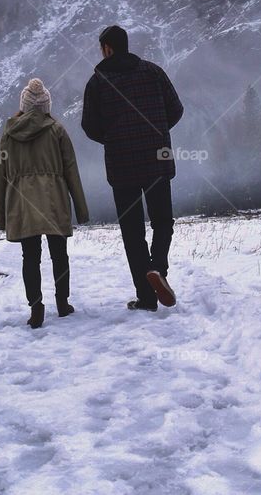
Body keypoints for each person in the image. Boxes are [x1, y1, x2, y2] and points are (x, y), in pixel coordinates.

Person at [81, 25, 184, 312]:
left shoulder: (98, 82)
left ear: (107, 48)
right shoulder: (153, 72)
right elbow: (176, 109)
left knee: (132, 230)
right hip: (157, 160)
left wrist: (114, 140)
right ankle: (158, 269)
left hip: (122, 166)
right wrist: (158, 131)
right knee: (163, 220)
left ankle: (147, 296)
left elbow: (89, 126)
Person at [0, 78, 89, 328]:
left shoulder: (9, 133)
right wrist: (81, 208)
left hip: (22, 203)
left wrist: (0, 215)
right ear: (46, 106)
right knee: (59, 254)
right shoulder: (57, 130)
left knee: (30, 257)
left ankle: (36, 308)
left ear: (24, 105)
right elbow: (71, 170)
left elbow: (1, 174)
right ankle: (62, 303)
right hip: (54, 200)